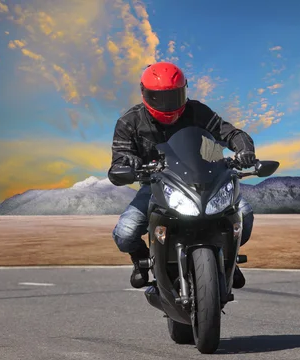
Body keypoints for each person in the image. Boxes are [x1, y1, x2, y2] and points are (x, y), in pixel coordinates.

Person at [107, 61, 257, 289]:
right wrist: (127, 163)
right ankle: (141, 260)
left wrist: (244, 148)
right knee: (125, 233)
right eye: (159, 98)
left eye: (174, 96)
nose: (167, 105)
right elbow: (119, 158)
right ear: (145, 93)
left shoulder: (198, 111)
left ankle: (229, 258)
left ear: (184, 90)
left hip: (205, 179)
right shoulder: (129, 121)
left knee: (244, 213)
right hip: (156, 184)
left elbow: (230, 132)